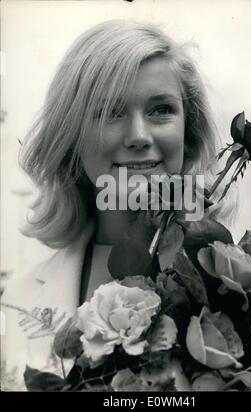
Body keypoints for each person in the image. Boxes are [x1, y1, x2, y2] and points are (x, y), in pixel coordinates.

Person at [1, 20, 234, 390]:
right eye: (109, 111)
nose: (139, 136)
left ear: (189, 134)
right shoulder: (18, 299)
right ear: (71, 138)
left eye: (161, 110)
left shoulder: (240, 286)